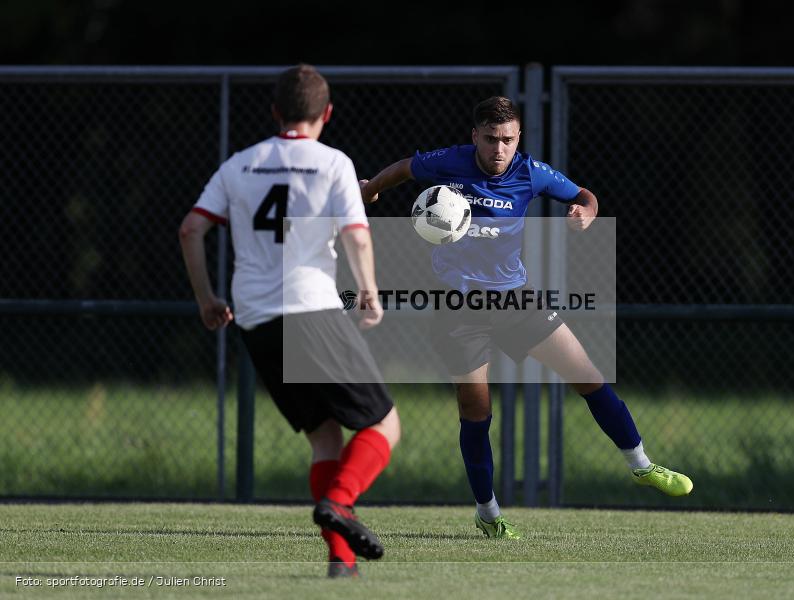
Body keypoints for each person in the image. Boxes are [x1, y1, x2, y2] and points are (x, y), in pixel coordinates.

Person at [360, 96, 691, 540]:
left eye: (509, 140)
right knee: (476, 410)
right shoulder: (448, 163)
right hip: (459, 308)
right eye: (492, 139)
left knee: (589, 376)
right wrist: (371, 189)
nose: (500, 149)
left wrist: (587, 212)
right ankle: (488, 512)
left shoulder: (530, 172)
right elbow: (405, 167)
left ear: (519, 139)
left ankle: (642, 466)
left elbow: (584, 195)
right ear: (475, 136)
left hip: (517, 299)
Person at [179, 64, 400, 578]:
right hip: (311, 309)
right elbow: (357, 234)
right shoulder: (332, 163)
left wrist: (207, 299)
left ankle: (341, 562)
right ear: (326, 114)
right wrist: (368, 289)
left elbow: (191, 229)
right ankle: (340, 504)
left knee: (325, 438)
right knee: (384, 424)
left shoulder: (240, 164)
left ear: (275, 112)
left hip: (255, 319)